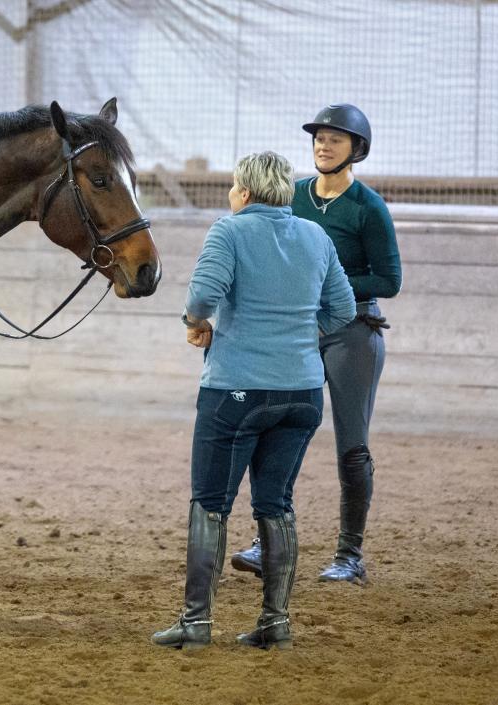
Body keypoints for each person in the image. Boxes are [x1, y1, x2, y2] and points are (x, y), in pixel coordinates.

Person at [152, 151, 355, 651]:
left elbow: (202, 298)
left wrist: (197, 326)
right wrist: (298, 341)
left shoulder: (230, 230)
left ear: (243, 191)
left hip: (235, 391)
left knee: (211, 502)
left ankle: (197, 621)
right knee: (276, 503)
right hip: (303, 392)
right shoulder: (316, 236)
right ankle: (275, 622)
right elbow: (344, 309)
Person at [229, 105, 402, 585]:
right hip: (300, 330)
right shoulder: (294, 197)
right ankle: (269, 544)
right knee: (279, 433)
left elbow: (389, 279)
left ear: (357, 151)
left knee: (351, 446)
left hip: (352, 333)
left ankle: (350, 556)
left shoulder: (368, 208)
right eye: (319, 139)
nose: (323, 146)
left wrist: (328, 277)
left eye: (335, 140)